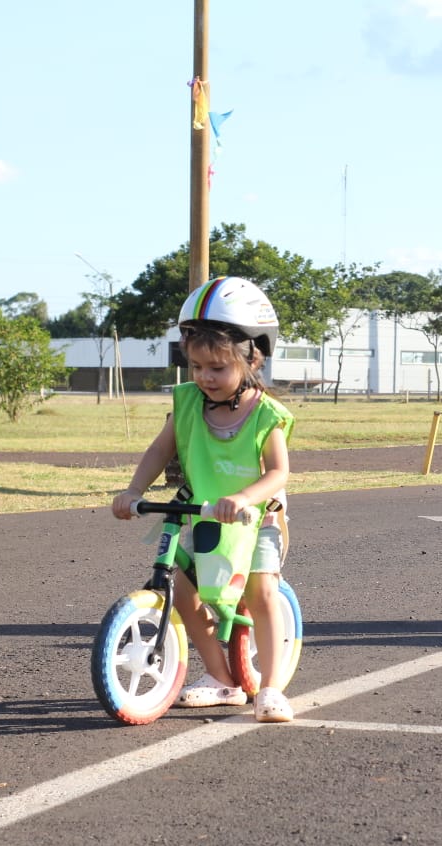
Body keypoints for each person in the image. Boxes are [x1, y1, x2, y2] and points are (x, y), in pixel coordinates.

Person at [111, 277, 296, 722]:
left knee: (262, 589)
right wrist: (134, 490)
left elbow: (278, 472)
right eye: (196, 367)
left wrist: (244, 497)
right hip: (201, 512)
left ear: (252, 358)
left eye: (217, 368)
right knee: (183, 590)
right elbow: (161, 449)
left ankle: (270, 687)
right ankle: (222, 679)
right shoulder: (188, 402)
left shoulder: (266, 414)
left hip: (256, 517)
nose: (204, 378)